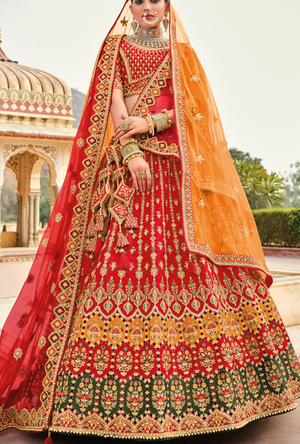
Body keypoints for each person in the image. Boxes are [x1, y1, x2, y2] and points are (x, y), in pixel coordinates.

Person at [0, 0, 299, 441]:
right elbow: (114, 106)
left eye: (154, 0)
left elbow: (195, 114)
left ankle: (222, 398)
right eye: (138, 1)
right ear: (131, 7)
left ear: (165, 5)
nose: (147, 8)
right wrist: (132, 151)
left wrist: (152, 121)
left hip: (177, 180)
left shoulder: (182, 54)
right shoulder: (116, 49)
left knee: (196, 265)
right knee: (114, 267)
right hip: (130, 174)